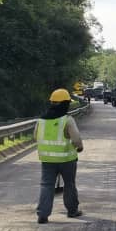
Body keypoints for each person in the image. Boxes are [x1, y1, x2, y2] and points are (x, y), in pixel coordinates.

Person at [35, 88, 84, 223]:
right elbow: (76, 139)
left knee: (46, 185)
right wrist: (79, 148)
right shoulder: (67, 120)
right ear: (65, 104)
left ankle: (42, 214)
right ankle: (72, 211)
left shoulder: (41, 120)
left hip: (47, 159)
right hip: (67, 159)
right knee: (69, 184)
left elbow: (35, 136)